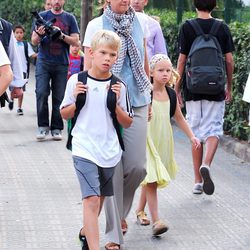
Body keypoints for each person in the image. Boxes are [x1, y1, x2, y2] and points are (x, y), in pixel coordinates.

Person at [83, 1, 151, 249]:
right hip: (105, 102)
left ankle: (120, 212)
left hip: (138, 99)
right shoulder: (95, 25)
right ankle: (113, 235)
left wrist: (150, 97)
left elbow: (143, 59)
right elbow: (87, 66)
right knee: (112, 169)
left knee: (137, 167)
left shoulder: (141, 22)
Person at [60, 29, 133, 250]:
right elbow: (64, 113)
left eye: (112, 54)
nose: (108, 58)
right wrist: (77, 101)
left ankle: (85, 231)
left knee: (99, 199)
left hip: (109, 151)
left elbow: (128, 122)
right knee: (91, 199)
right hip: (83, 148)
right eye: (103, 53)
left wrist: (116, 103)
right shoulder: (77, 80)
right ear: (91, 52)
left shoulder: (119, 85)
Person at [135, 54, 200, 236]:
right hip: (147, 139)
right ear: (152, 73)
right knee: (153, 179)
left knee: (150, 179)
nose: (165, 74)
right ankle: (157, 221)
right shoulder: (145, 92)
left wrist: (192, 137)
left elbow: (179, 117)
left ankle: (140, 211)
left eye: (168, 70)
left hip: (163, 139)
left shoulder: (171, 94)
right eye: (161, 70)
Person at [175, 0, 234, 195]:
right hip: (215, 86)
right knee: (213, 129)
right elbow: (229, 60)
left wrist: (176, 88)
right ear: (214, 5)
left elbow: (182, 60)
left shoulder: (187, 27)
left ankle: (197, 182)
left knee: (195, 131)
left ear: (194, 5)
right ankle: (206, 164)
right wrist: (229, 86)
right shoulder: (222, 27)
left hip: (193, 86)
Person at [31, 0, 80, 141]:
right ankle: (42, 126)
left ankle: (57, 128)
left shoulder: (69, 18)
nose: (56, 1)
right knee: (41, 93)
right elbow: (34, 41)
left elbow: (76, 41)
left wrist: (61, 35)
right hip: (43, 61)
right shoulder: (41, 16)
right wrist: (40, 34)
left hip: (62, 63)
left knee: (59, 97)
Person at [8, 25, 37, 115]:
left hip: (23, 71)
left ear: (23, 34)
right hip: (12, 69)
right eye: (17, 33)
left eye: (21, 32)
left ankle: (19, 108)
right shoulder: (10, 44)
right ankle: (11, 99)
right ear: (13, 34)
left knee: (21, 90)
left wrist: (42, 54)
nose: (19, 35)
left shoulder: (25, 44)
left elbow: (32, 55)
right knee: (12, 88)